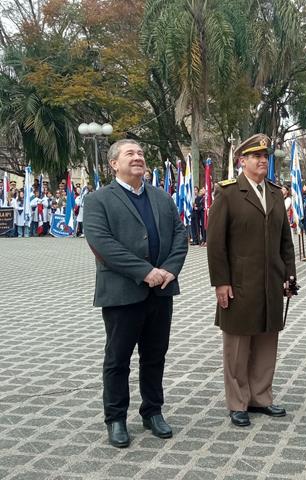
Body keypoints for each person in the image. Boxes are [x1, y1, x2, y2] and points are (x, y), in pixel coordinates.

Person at [83, 139, 188, 448]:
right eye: (130, 153)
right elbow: (102, 243)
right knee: (118, 359)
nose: (138, 157)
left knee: (155, 356)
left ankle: (152, 412)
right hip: (122, 293)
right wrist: (145, 271)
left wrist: (169, 269)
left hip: (161, 291)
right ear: (114, 164)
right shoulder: (98, 200)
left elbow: (180, 235)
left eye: (141, 153)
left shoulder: (162, 197)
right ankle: (115, 418)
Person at [207, 133, 297, 428]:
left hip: (271, 282)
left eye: (265, 156)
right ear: (241, 161)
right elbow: (216, 244)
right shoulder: (228, 193)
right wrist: (221, 282)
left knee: (266, 341)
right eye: (255, 156)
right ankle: (237, 402)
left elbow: (285, 241)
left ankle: (261, 397)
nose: (262, 161)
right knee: (237, 346)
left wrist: (289, 276)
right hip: (240, 283)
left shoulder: (275, 193)